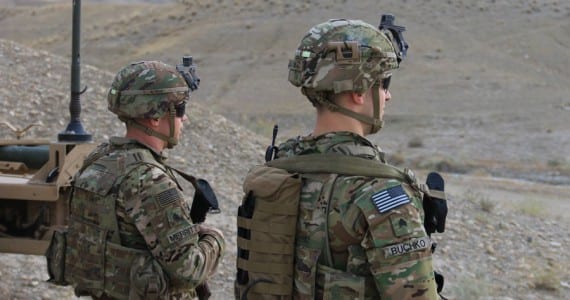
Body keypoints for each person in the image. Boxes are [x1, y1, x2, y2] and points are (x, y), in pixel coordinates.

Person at [236, 18, 441, 299]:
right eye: (383, 84)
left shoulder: (277, 173)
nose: (388, 96)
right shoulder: (381, 193)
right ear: (358, 91)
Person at [64, 60, 225, 299]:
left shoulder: (99, 160)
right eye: (180, 110)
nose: (185, 119)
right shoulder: (149, 180)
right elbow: (188, 270)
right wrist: (214, 239)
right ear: (156, 117)